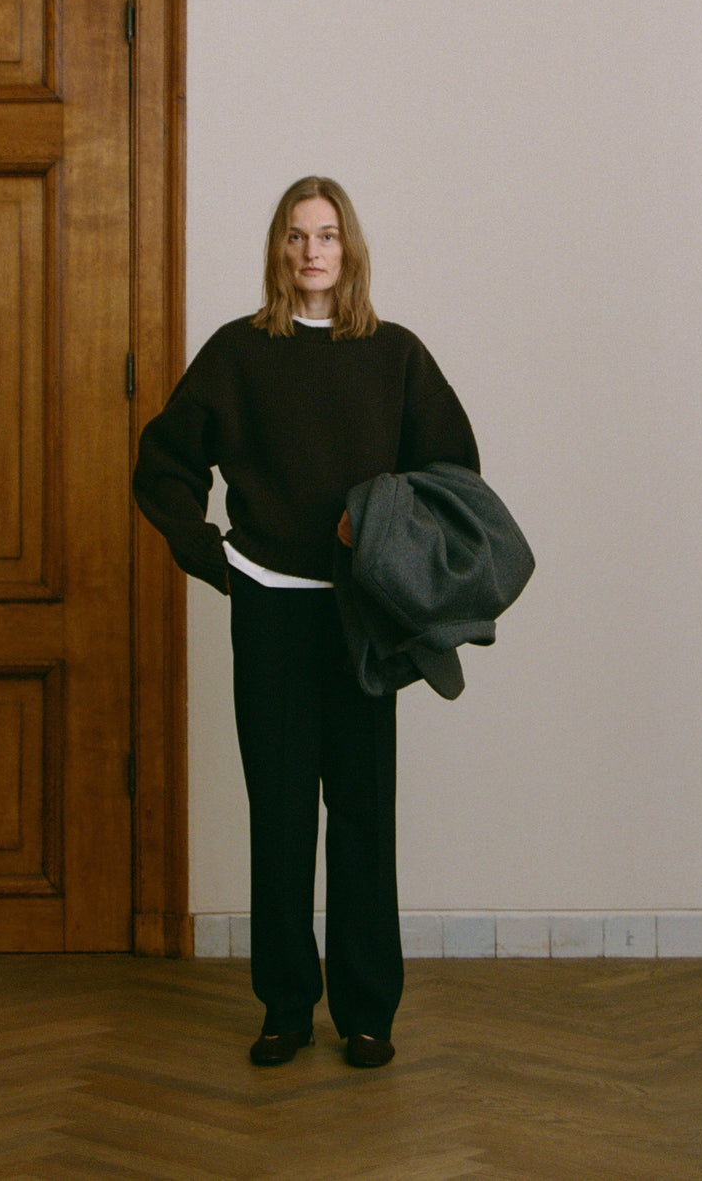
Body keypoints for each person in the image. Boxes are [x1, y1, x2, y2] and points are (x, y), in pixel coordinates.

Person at [133, 176, 479, 1068]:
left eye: (327, 235)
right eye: (296, 235)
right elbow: (165, 462)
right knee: (281, 814)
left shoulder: (395, 355)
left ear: (350, 249)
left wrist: (381, 531)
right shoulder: (239, 353)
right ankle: (285, 1004)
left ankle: (368, 1011)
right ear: (279, 250)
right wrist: (213, 556)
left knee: (363, 814)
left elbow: (452, 473)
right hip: (271, 616)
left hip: (363, 622)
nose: (311, 251)